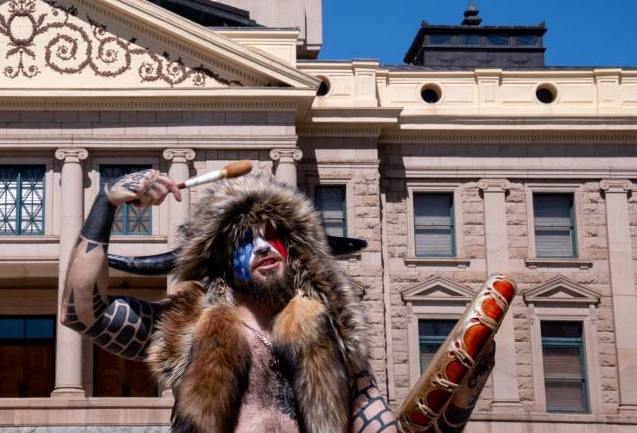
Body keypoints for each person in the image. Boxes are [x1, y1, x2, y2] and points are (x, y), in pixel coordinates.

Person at [61, 169, 493, 433]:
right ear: (222, 261)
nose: (264, 247)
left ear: (295, 250)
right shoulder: (186, 326)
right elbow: (83, 312)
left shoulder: (331, 336)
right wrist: (107, 202)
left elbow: (381, 427)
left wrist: (460, 390)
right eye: (245, 241)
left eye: (274, 236)